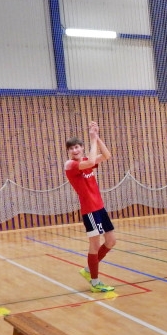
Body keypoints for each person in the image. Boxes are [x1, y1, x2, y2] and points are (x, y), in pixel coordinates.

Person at [65, 122, 116, 293]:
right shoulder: (70, 165)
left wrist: (97, 136)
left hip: (100, 207)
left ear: (82, 148)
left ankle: (88, 269)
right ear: (68, 151)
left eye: (77, 147)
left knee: (111, 241)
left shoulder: (87, 161)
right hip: (90, 211)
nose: (75, 150)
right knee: (94, 244)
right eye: (72, 148)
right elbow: (93, 159)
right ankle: (95, 282)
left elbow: (107, 155)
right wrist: (93, 139)